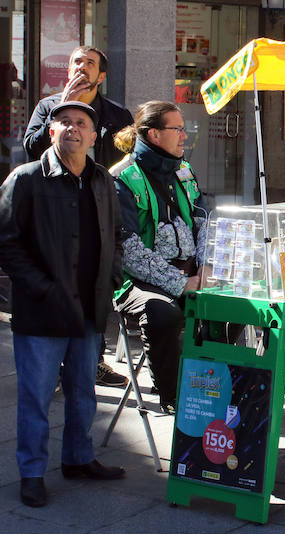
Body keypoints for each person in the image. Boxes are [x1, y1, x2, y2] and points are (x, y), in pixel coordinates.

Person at [0, 101, 127, 508]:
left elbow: (116, 234)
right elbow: (6, 243)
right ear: (51, 132)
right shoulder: (26, 179)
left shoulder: (102, 179)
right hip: (43, 310)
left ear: (94, 136)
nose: (73, 128)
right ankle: (32, 473)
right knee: (36, 397)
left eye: (81, 123)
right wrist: (41, 287)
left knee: (83, 391)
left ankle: (78, 458)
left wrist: (111, 278)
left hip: (89, 307)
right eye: (64, 122)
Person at [23, 45, 133, 389]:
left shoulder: (116, 114)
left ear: (101, 76)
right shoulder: (48, 107)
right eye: (76, 62)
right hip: (53, 211)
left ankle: (92, 361)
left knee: (91, 287)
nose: (81, 68)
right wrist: (62, 106)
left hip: (98, 209)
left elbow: (130, 158)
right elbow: (31, 147)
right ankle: (55, 366)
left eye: (89, 63)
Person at [114, 101, 208, 415]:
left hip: (191, 273)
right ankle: (175, 397)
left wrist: (205, 267)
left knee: (236, 305)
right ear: (154, 134)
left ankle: (214, 383)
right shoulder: (122, 178)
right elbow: (127, 251)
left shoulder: (184, 170)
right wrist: (181, 284)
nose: (185, 135)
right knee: (162, 314)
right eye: (177, 129)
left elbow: (204, 221)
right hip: (137, 282)